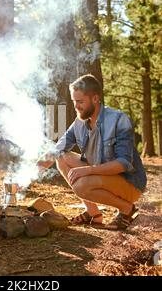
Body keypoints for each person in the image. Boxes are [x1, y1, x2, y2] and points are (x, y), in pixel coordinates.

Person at [37, 74, 147, 230]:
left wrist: (87, 170)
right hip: (102, 174)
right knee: (62, 157)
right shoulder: (79, 122)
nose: (76, 106)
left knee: (80, 186)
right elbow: (57, 149)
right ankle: (93, 213)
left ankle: (126, 209)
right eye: (74, 101)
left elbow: (123, 164)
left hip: (128, 183)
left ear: (95, 99)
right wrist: (32, 172)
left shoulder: (118, 120)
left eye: (80, 102)